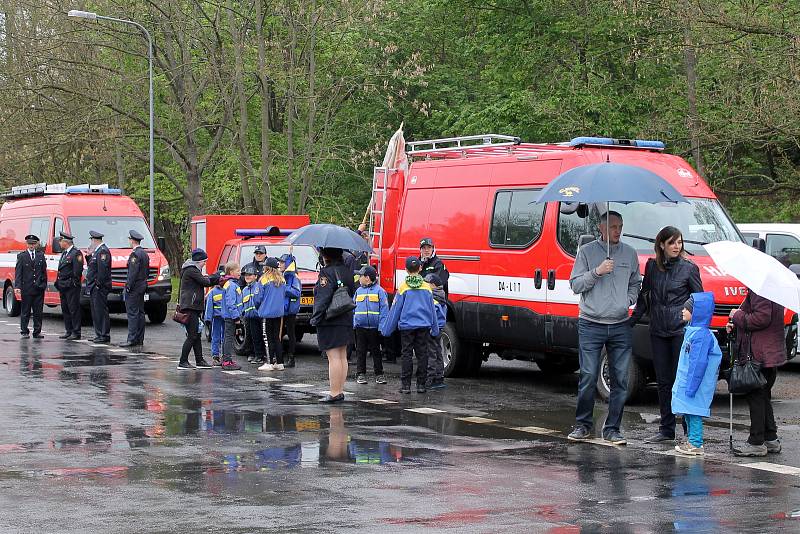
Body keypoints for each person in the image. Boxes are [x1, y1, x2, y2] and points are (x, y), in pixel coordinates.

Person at [567, 211, 642, 445]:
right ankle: (583, 425)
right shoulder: (587, 252)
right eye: (612, 227)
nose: (617, 231)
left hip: (619, 324)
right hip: (591, 323)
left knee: (620, 379)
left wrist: (627, 300)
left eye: (620, 226)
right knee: (588, 376)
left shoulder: (629, 253)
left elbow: (635, 282)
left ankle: (612, 429)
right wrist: (597, 272)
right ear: (601, 228)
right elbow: (575, 284)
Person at [631, 226, 703, 444]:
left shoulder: (689, 268)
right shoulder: (652, 266)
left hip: (680, 331)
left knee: (680, 381)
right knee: (663, 381)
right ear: (661, 245)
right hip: (658, 330)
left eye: (679, 242)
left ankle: (688, 428)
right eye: (672, 242)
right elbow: (645, 296)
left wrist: (689, 312)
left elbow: (700, 298)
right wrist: (632, 320)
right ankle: (666, 428)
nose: (676, 246)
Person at [730, 289, 787, 457]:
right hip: (769, 352)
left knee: (755, 395)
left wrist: (737, 316)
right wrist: (737, 322)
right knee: (763, 396)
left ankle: (756, 442)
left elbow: (761, 318)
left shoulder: (760, 290)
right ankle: (770, 438)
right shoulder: (772, 289)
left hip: (759, 354)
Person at [671, 293, 723, 457]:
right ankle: (692, 442)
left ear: (697, 312)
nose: (683, 311)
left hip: (694, 384)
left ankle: (695, 443)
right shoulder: (695, 332)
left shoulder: (700, 335)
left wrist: (691, 386)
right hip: (690, 382)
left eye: (687, 309)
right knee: (689, 411)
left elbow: (698, 363)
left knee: (693, 413)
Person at [381, 257, 440, 394]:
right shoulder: (427, 287)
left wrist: (386, 330)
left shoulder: (403, 287)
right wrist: (435, 329)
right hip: (423, 326)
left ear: (406, 270)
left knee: (406, 354)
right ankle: (421, 385)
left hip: (407, 326)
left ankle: (406, 386)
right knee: (422, 354)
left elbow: (396, 309)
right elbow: (432, 309)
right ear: (420, 268)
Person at [312, 247, 356, 403]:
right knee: (342, 355)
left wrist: (316, 318)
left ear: (326, 256)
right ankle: (340, 390)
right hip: (345, 317)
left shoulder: (326, 272)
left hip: (330, 319)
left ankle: (334, 392)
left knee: (333, 357)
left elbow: (323, 298)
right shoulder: (347, 271)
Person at [177, 249, 220, 370]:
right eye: (204, 261)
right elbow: (205, 282)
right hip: (190, 307)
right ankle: (183, 361)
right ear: (198, 261)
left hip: (193, 307)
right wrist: (216, 276)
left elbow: (203, 280)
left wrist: (209, 277)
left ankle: (199, 360)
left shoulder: (192, 270)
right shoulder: (191, 270)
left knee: (196, 334)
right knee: (192, 335)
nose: (205, 264)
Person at [353, 265, 388, 385]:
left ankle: (379, 374)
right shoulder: (358, 291)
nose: (358, 278)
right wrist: (354, 323)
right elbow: (353, 308)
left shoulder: (380, 291)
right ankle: (360, 374)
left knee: (376, 351)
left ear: (367, 278)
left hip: (374, 328)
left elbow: (384, 310)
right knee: (360, 351)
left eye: (361, 276)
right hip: (360, 327)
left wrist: (381, 327)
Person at [256, 257, 287, 371]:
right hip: (279, 313)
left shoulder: (263, 279)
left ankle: (269, 362)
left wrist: (258, 307)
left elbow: (258, 298)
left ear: (267, 267)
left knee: (267, 338)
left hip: (266, 313)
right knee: (277, 338)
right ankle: (279, 362)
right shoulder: (282, 279)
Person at [15, 234, 47, 339]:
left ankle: (37, 331)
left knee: (38, 312)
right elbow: (18, 273)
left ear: (36, 244)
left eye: (33, 244)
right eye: (29, 244)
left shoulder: (40, 255)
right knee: (26, 311)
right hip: (27, 288)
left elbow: (43, 272)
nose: (31, 246)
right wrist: (18, 287)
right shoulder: (22, 256)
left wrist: (43, 284)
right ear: (27, 244)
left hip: (38, 288)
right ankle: (24, 331)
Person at [121, 230, 149, 348]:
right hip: (142, 285)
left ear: (132, 240)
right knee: (140, 313)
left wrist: (128, 286)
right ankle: (139, 338)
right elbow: (146, 271)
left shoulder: (135, 254)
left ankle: (132, 338)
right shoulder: (144, 253)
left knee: (132, 313)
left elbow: (132, 273)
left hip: (134, 287)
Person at [54, 232, 84, 340]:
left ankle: (76, 332)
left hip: (71, 286)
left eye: (60, 241)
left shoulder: (76, 253)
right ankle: (69, 330)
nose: (59, 243)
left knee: (73, 309)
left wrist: (74, 283)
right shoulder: (64, 253)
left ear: (65, 242)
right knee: (65, 309)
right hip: (62, 285)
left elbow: (77, 271)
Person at [85, 231, 112, 343]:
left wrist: (98, 285)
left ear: (94, 240)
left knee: (100, 310)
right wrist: (88, 256)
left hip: (99, 287)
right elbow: (93, 266)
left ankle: (104, 334)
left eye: (91, 240)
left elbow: (103, 271)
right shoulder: (97, 252)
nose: (90, 243)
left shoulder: (103, 251)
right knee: (96, 311)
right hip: (94, 286)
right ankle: (99, 333)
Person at [425, 273, 448, 390]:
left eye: (426, 283)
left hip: (431, 329)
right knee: (438, 352)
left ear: (433, 285)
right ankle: (439, 377)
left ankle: (430, 379)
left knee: (431, 354)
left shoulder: (432, 298)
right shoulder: (441, 296)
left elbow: (429, 315)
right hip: (439, 329)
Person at [220, 262, 243, 370]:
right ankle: (227, 361)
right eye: (238, 270)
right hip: (231, 316)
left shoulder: (232, 284)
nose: (240, 272)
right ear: (231, 272)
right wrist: (236, 317)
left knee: (227, 337)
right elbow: (231, 303)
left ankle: (226, 359)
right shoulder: (231, 285)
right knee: (229, 337)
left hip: (229, 315)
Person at [280, 253, 302, 368]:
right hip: (281, 310)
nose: (280, 264)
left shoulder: (294, 277)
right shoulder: (281, 275)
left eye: (282, 262)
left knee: (290, 334)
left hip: (290, 311)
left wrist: (284, 287)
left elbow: (296, 293)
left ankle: (291, 357)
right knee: (279, 333)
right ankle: (279, 356)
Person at [241, 264, 265, 364]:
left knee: (259, 337)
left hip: (258, 316)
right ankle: (254, 354)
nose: (247, 277)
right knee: (251, 337)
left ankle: (260, 355)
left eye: (250, 275)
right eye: (246, 275)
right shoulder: (245, 290)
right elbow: (242, 304)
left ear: (255, 276)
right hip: (249, 317)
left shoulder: (258, 287)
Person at [204, 273, 226, 366]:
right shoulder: (213, 292)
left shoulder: (227, 289)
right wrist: (208, 318)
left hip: (226, 317)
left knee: (225, 337)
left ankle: (225, 355)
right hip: (217, 318)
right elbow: (209, 306)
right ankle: (215, 356)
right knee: (216, 336)